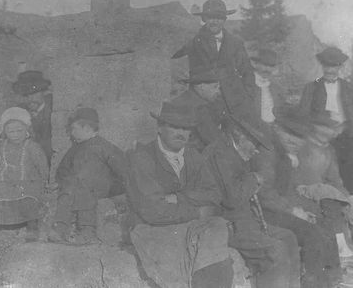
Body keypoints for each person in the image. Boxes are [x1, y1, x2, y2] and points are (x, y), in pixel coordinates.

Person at [126, 94, 234, 288]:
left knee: (217, 227)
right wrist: (198, 211)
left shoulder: (193, 156)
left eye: (186, 129)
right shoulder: (143, 158)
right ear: (159, 128)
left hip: (187, 225)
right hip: (152, 229)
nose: (181, 133)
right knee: (214, 232)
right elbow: (153, 211)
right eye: (174, 127)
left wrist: (179, 197)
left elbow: (214, 195)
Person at [203, 111, 301, 288]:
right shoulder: (220, 155)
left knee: (289, 237)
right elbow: (231, 199)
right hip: (228, 225)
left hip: (246, 222)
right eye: (255, 143)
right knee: (275, 250)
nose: (256, 150)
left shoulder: (236, 152)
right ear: (240, 136)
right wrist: (254, 178)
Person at [254, 106, 342, 288]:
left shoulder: (285, 152)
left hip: (279, 208)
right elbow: (265, 194)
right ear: (277, 129)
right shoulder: (268, 152)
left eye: (300, 137)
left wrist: (301, 209)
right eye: (290, 134)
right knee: (312, 233)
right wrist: (294, 210)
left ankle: (331, 280)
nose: (295, 140)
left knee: (322, 222)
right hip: (262, 212)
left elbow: (288, 190)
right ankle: (313, 283)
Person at [48, 107, 127, 245]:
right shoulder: (75, 148)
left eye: (74, 129)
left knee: (84, 190)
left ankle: (87, 231)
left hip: (101, 186)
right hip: (77, 184)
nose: (72, 133)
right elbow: (64, 168)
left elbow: (122, 167)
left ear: (87, 128)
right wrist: (60, 182)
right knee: (67, 191)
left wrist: (123, 187)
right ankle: (59, 228)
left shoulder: (104, 146)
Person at [0, 106, 49, 243]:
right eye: (11, 131)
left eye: (19, 131)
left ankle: (32, 229)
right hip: (4, 183)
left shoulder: (32, 147)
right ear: (5, 132)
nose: (15, 135)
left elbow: (42, 166)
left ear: (27, 130)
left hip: (26, 182)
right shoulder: (1, 147)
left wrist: (44, 182)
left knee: (29, 195)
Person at [292, 110, 353, 261]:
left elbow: (335, 180)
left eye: (332, 127)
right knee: (329, 195)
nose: (330, 131)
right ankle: (340, 248)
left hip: (322, 192)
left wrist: (347, 197)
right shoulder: (302, 146)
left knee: (342, 198)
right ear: (315, 127)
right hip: (301, 192)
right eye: (325, 126)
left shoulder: (329, 150)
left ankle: (345, 247)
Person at [172, 0, 255, 109]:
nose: (214, 21)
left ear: (224, 19)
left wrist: (247, 98)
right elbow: (179, 66)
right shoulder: (194, 41)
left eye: (219, 17)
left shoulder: (236, 43)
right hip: (201, 99)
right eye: (210, 17)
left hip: (232, 101)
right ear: (204, 19)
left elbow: (247, 72)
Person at [298, 46, 353, 192]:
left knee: (348, 163)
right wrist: (322, 126)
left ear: (340, 66)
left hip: (346, 134)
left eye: (333, 66)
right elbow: (303, 115)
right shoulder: (311, 87)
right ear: (322, 65)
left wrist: (344, 127)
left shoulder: (349, 88)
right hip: (320, 135)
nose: (329, 70)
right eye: (326, 66)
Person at [11, 70, 53, 165]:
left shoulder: (53, 111)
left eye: (34, 94)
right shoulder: (19, 112)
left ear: (43, 92)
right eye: (25, 95)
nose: (30, 99)